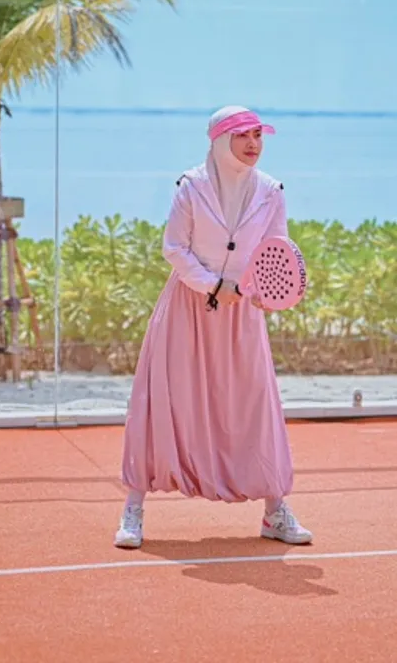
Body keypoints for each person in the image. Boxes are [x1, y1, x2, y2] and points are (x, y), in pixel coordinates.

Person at [114, 105, 312, 549]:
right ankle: (134, 507)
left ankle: (274, 511)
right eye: (243, 135)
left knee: (255, 405)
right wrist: (213, 285)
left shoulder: (271, 191)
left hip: (242, 316)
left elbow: (275, 249)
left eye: (258, 135)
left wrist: (258, 292)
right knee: (163, 403)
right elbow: (174, 248)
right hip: (186, 308)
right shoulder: (191, 186)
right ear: (220, 141)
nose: (253, 144)